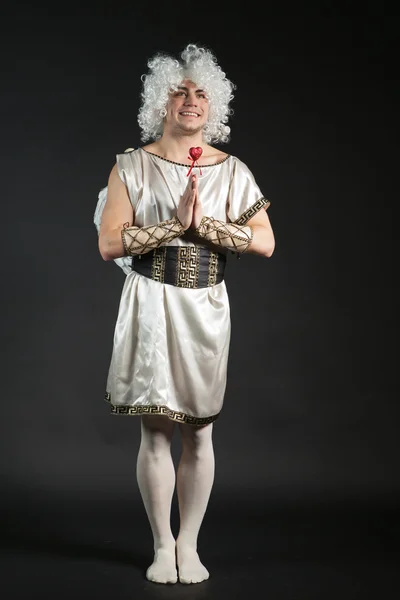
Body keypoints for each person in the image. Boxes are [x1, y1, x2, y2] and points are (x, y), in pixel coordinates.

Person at [93, 43, 275, 585]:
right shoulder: (132, 165)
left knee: (199, 432)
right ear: (160, 102)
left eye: (201, 92)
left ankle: (190, 544)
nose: (190, 100)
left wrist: (204, 227)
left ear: (214, 105)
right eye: (179, 90)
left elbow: (265, 242)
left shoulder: (233, 170)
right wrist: (174, 224)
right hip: (151, 303)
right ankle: (162, 544)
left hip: (205, 308)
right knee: (155, 432)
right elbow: (109, 243)